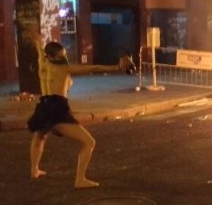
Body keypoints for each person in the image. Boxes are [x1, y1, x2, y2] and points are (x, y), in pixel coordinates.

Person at [28, 41, 133, 188]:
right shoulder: (64, 69)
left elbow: (39, 48)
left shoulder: (42, 62)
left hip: (44, 106)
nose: (64, 59)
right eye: (60, 57)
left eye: (64, 56)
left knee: (40, 137)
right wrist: (116, 67)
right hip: (57, 108)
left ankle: (34, 170)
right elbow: (93, 67)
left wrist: (35, 37)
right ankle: (80, 180)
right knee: (89, 142)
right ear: (51, 57)